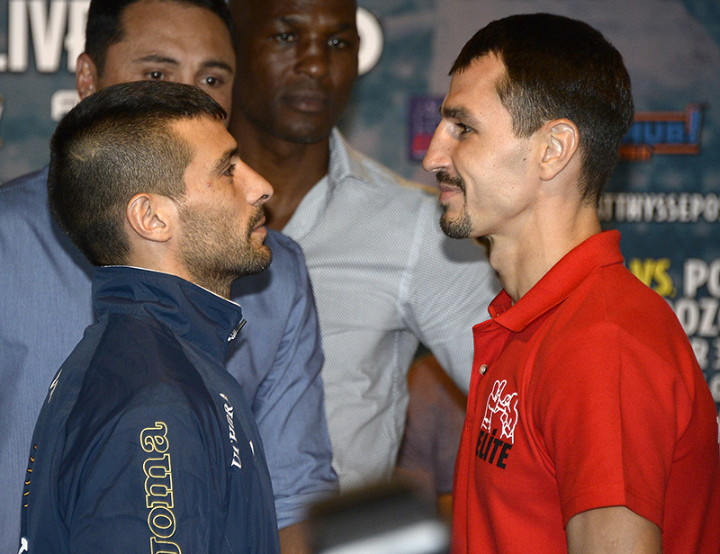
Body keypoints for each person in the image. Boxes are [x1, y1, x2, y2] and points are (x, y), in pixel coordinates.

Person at [0, 1, 336, 551]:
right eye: (157, 73)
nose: (191, 96)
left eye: (212, 77)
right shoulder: (153, 388)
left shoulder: (270, 274)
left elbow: (295, 493)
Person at [422, 13, 720, 552]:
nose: (433, 156)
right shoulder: (536, 320)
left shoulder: (601, 343)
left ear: (553, 150)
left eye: (462, 128)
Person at [228, 0, 499, 495]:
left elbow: (515, 395)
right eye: (286, 38)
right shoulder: (162, 209)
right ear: (230, 45)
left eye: (338, 43)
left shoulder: (413, 228)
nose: (315, 64)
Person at [19, 79, 280, 552]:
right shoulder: (157, 400)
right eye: (228, 170)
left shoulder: (148, 363)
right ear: (152, 218)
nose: (262, 186)